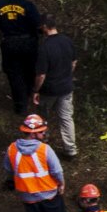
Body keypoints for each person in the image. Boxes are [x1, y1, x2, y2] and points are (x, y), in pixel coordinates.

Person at [8, 113, 74, 212]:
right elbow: (57, 171)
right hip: (50, 195)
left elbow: (9, 168)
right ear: (32, 133)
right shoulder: (45, 150)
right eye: (42, 132)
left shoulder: (12, 149)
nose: (44, 134)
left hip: (28, 198)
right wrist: (62, 184)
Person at [0, 0, 44, 115]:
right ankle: (30, 97)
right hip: (28, 43)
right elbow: (38, 25)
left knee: (14, 75)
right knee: (29, 71)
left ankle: (21, 106)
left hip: (9, 43)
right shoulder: (27, 6)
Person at [30, 20, 78, 158]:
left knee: (43, 117)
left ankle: (42, 143)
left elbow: (41, 75)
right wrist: (67, 75)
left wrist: (36, 90)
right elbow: (74, 62)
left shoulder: (45, 48)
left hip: (49, 90)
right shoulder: (67, 41)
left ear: (45, 27)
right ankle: (71, 150)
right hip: (66, 87)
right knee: (66, 118)